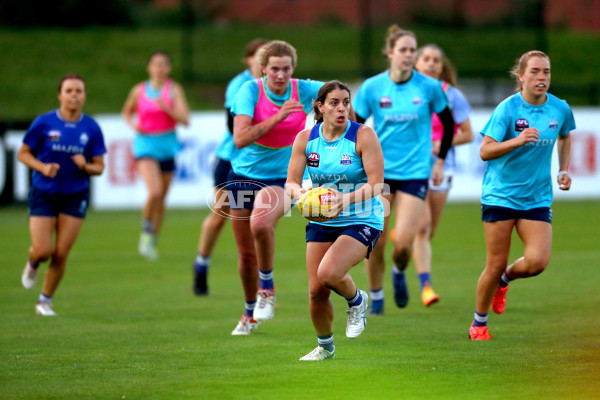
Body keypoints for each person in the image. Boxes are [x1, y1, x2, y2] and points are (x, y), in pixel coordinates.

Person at [469, 50, 574, 340]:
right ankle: (479, 323)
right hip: (500, 196)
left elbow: (566, 135)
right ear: (522, 77)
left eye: (547, 72)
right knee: (495, 263)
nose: (542, 78)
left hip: (537, 197)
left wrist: (563, 169)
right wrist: (516, 140)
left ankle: (505, 281)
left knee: (538, 262)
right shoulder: (508, 109)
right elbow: (485, 150)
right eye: (536, 72)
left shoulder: (560, 109)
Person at [352, 25, 455, 315]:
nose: (409, 55)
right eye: (404, 50)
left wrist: (440, 161)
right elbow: (355, 129)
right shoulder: (373, 87)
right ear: (390, 53)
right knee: (375, 240)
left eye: (413, 50)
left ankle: (399, 272)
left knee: (403, 245)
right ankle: (376, 296)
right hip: (379, 175)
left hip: (414, 173)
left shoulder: (428, 87)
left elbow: (448, 124)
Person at [228, 40, 324, 335]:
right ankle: (249, 314)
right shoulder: (250, 91)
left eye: (286, 69)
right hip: (243, 174)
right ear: (263, 69)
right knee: (245, 255)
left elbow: (340, 98)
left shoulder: (304, 90)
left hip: (283, 178)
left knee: (260, 223)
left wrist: (348, 131)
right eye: (274, 69)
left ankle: (266, 289)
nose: (280, 75)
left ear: (293, 69)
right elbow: (240, 138)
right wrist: (278, 116)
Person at [286, 80, 384, 360]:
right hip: (323, 219)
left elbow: (377, 184)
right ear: (319, 107)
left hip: (362, 218)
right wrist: (302, 193)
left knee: (328, 273)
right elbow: (290, 183)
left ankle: (357, 300)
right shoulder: (306, 139)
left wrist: (345, 200)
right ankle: (325, 347)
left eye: (345, 102)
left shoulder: (363, 136)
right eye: (334, 103)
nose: (341, 109)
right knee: (316, 291)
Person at [19, 74, 107, 316]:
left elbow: (99, 166)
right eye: (69, 91)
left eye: (78, 91)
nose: (74, 95)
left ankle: (44, 301)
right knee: (44, 250)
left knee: (61, 253)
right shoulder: (44, 123)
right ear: (60, 95)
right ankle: (33, 260)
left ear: (85, 96)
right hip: (44, 193)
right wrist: (42, 167)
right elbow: (23, 153)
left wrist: (86, 166)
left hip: (75, 195)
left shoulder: (91, 128)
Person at [192, 38, 267, 296]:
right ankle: (201, 264)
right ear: (248, 60)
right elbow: (230, 125)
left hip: (262, 164)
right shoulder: (240, 85)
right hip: (232, 160)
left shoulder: (277, 87)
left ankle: (262, 291)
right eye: (257, 56)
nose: (261, 61)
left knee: (261, 225)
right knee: (220, 216)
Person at [410, 44, 474, 306]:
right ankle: (426, 286)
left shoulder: (452, 95)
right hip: (411, 168)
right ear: (416, 63)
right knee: (422, 226)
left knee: (429, 231)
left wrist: (442, 145)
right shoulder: (407, 93)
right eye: (426, 59)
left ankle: (405, 241)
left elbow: (468, 134)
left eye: (436, 60)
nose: (431, 63)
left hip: (443, 167)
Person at [122, 50, 190, 261]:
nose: (159, 68)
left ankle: (152, 240)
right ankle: (145, 230)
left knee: (162, 199)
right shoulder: (139, 90)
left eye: (164, 64)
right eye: (155, 64)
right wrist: (135, 125)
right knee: (155, 191)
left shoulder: (173, 90)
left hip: (167, 147)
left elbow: (185, 119)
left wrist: (166, 108)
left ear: (168, 68)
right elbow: (126, 111)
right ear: (149, 67)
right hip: (145, 147)